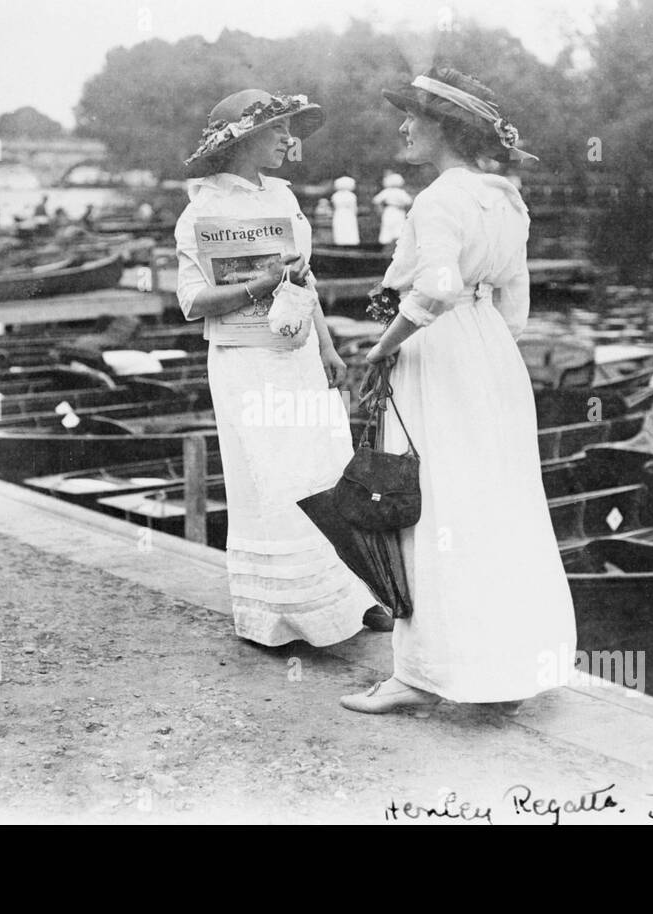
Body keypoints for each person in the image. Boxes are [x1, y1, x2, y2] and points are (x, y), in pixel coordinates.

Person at [340, 67, 577, 713]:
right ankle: (501, 672)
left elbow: (437, 286)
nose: (403, 126)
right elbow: (516, 305)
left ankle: (417, 677)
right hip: (491, 357)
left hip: (438, 353)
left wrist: (382, 350)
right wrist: (483, 347)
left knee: (430, 507)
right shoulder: (504, 198)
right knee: (494, 506)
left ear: (444, 127)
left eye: (413, 117)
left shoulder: (440, 198)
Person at [175, 88, 391, 646]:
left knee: (324, 461)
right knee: (272, 474)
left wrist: (327, 345)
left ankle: (348, 596)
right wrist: (260, 283)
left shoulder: (285, 197)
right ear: (244, 140)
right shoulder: (203, 209)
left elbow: (306, 278)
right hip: (247, 359)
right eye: (277, 132)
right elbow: (193, 301)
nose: (287, 141)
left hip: (296, 352)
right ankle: (283, 611)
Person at [373, 172, 413, 246]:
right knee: (399, 227)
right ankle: (396, 245)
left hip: (388, 211)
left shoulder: (387, 191)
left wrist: (380, 209)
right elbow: (409, 201)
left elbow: (376, 200)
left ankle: (386, 244)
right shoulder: (401, 192)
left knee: (387, 227)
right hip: (398, 211)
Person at [330, 176, 360, 245]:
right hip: (349, 214)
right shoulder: (352, 195)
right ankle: (351, 243)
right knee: (350, 228)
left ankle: (340, 243)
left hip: (338, 214)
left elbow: (334, 206)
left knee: (340, 229)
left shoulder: (335, 195)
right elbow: (354, 208)